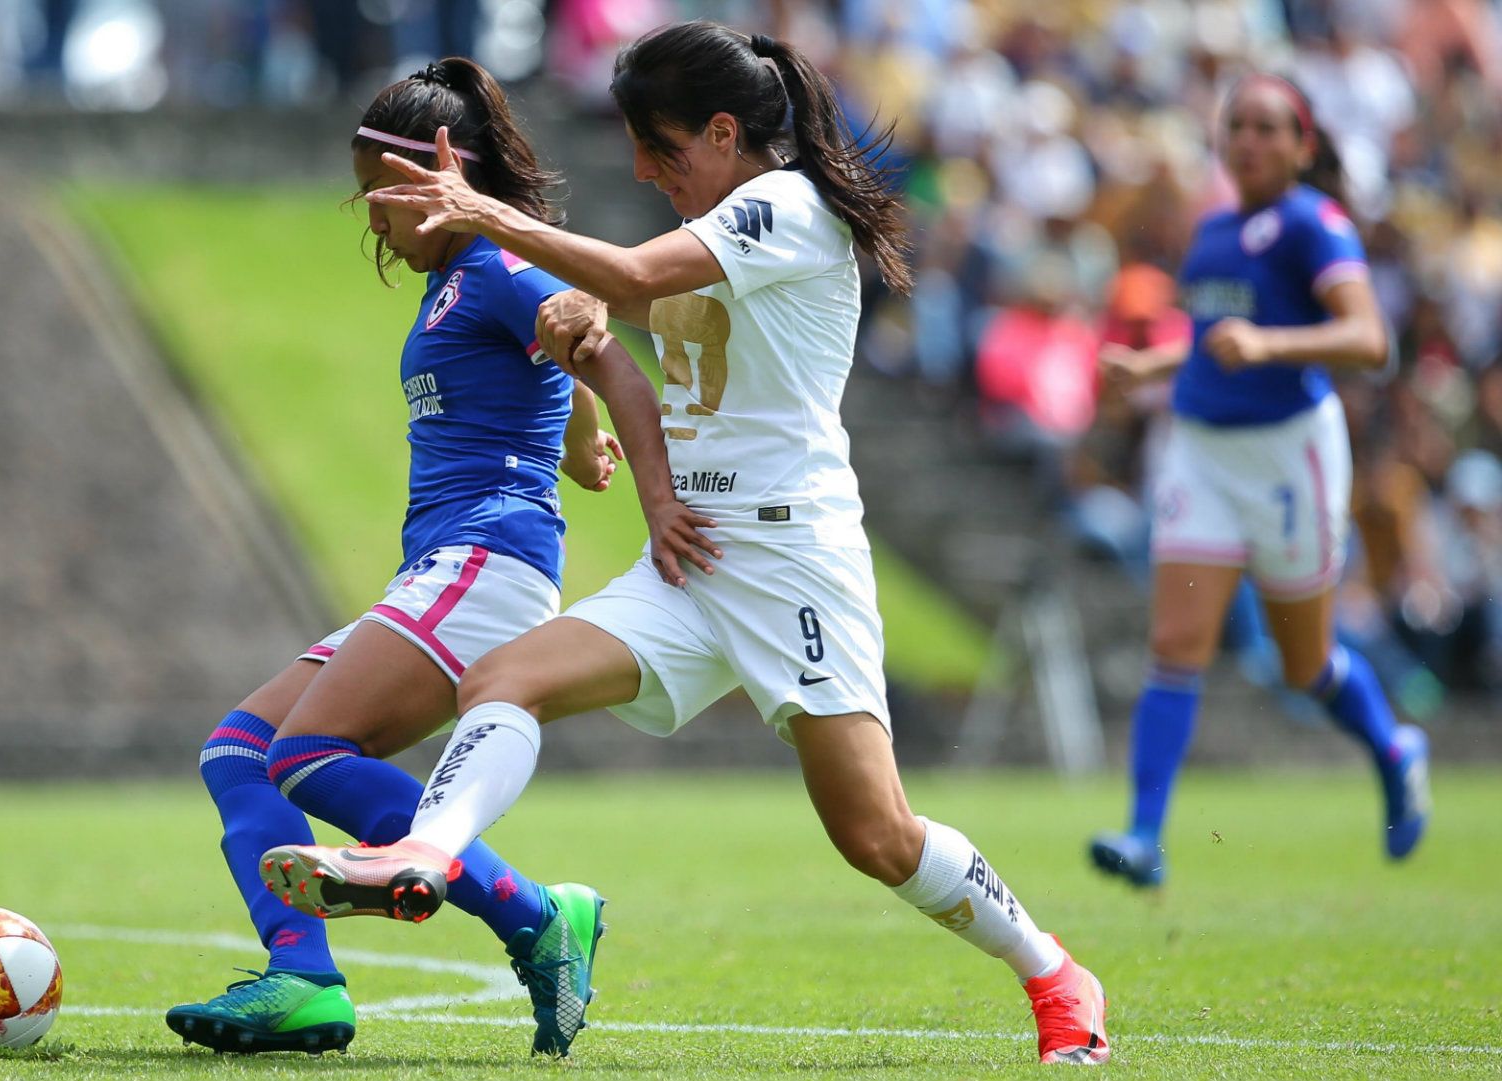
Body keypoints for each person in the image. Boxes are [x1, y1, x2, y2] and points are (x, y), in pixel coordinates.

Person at [261, 22, 1111, 1066]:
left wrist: (491, 216)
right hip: (693, 558)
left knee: (876, 835)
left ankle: (1055, 972)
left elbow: (629, 277)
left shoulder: (786, 207)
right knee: (504, 677)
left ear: (721, 131)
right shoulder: (716, 221)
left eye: (656, 147)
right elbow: (637, 323)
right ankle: (424, 858)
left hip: (793, 563)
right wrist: (638, 452)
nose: (641, 170)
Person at [162, 58, 678, 1059]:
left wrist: (635, 467)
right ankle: (305, 980)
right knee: (238, 750)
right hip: (444, 567)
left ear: (444, 173)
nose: (371, 214)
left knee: (307, 753)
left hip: (490, 559)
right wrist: (578, 439)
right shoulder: (457, 282)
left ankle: (536, 915)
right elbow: (552, 358)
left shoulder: (494, 263)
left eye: (380, 190)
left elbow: (579, 321)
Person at [1088, 74, 1431, 889]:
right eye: (1237, 125)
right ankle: (1144, 835)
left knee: (1305, 663)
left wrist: (1270, 346)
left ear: (1303, 146)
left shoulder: (1315, 224)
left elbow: (1369, 338)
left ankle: (1393, 746)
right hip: (1202, 450)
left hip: (1288, 454)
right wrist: (1150, 365)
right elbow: (1217, 342)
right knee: (1176, 642)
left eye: (1268, 127)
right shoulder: (1214, 232)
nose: (1248, 140)